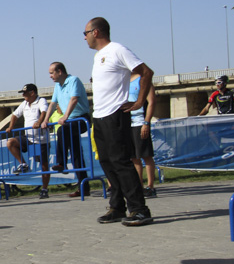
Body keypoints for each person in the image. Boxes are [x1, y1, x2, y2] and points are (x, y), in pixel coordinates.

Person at [84, 16, 154, 226]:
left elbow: (146, 72)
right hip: (100, 116)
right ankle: (117, 207)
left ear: (96, 32)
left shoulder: (117, 49)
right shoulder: (98, 56)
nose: (84, 38)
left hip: (116, 114)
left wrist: (140, 100)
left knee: (122, 162)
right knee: (106, 162)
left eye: (85, 33)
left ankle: (140, 209)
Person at [42, 62, 92, 198]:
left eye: (52, 73)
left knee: (61, 131)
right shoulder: (58, 86)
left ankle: (61, 162)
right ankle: (84, 187)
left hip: (80, 119)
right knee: (76, 154)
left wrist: (65, 116)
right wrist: (45, 120)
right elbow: (52, 103)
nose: (50, 76)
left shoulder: (73, 80)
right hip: (70, 122)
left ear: (60, 71)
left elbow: (74, 99)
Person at [6, 83, 51, 199]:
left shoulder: (41, 101)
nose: (23, 95)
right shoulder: (24, 103)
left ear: (32, 93)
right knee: (10, 143)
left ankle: (45, 189)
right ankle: (23, 164)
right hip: (28, 138)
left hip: (40, 140)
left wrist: (39, 122)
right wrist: (11, 126)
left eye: (25, 93)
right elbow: (15, 115)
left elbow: (44, 112)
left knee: (44, 166)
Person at [129, 72, 158, 198]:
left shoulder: (143, 80)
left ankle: (150, 186)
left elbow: (151, 102)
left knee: (146, 155)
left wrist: (146, 122)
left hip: (140, 122)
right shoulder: (123, 80)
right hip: (128, 123)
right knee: (134, 157)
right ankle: (138, 186)